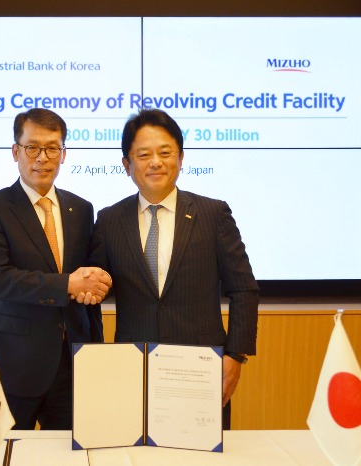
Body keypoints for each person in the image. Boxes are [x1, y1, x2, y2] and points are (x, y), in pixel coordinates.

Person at [86, 108, 259, 429]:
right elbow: (99, 285)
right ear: (127, 164)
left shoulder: (213, 214)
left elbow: (244, 289)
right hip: (133, 366)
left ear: (181, 158)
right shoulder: (110, 220)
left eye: (165, 153)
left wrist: (235, 357)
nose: (156, 162)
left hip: (201, 368)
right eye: (144, 154)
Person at [0, 108, 111, 430]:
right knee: (6, 453)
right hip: (16, 364)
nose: (42, 157)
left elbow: (87, 277)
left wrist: (98, 283)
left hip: (73, 362)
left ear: (63, 154)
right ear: (15, 152)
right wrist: (67, 286)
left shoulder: (81, 209)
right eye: (32, 147)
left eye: (52, 148)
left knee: (70, 457)